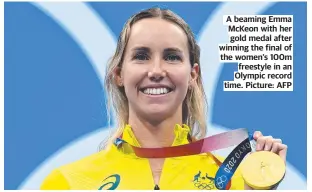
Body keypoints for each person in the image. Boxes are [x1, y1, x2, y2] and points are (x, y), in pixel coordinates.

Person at [40, 7, 287, 190]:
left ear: (193, 75)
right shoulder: (68, 182)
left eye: (171, 57)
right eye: (141, 55)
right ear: (119, 74)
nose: (157, 71)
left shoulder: (236, 181)